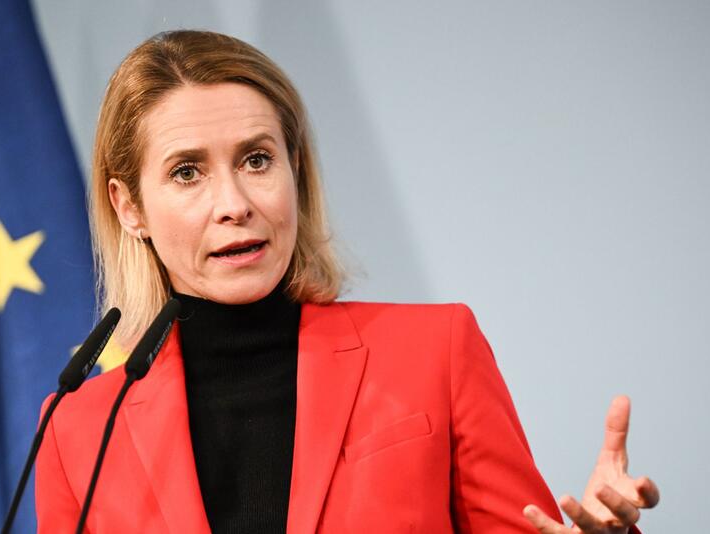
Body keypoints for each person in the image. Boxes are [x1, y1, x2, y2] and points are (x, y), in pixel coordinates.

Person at [35, 30, 659, 533]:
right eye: (187, 172)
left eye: (257, 159)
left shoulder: (435, 352)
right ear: (130, 208)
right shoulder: (78, 429)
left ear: (294, 169)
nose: (234, 204)